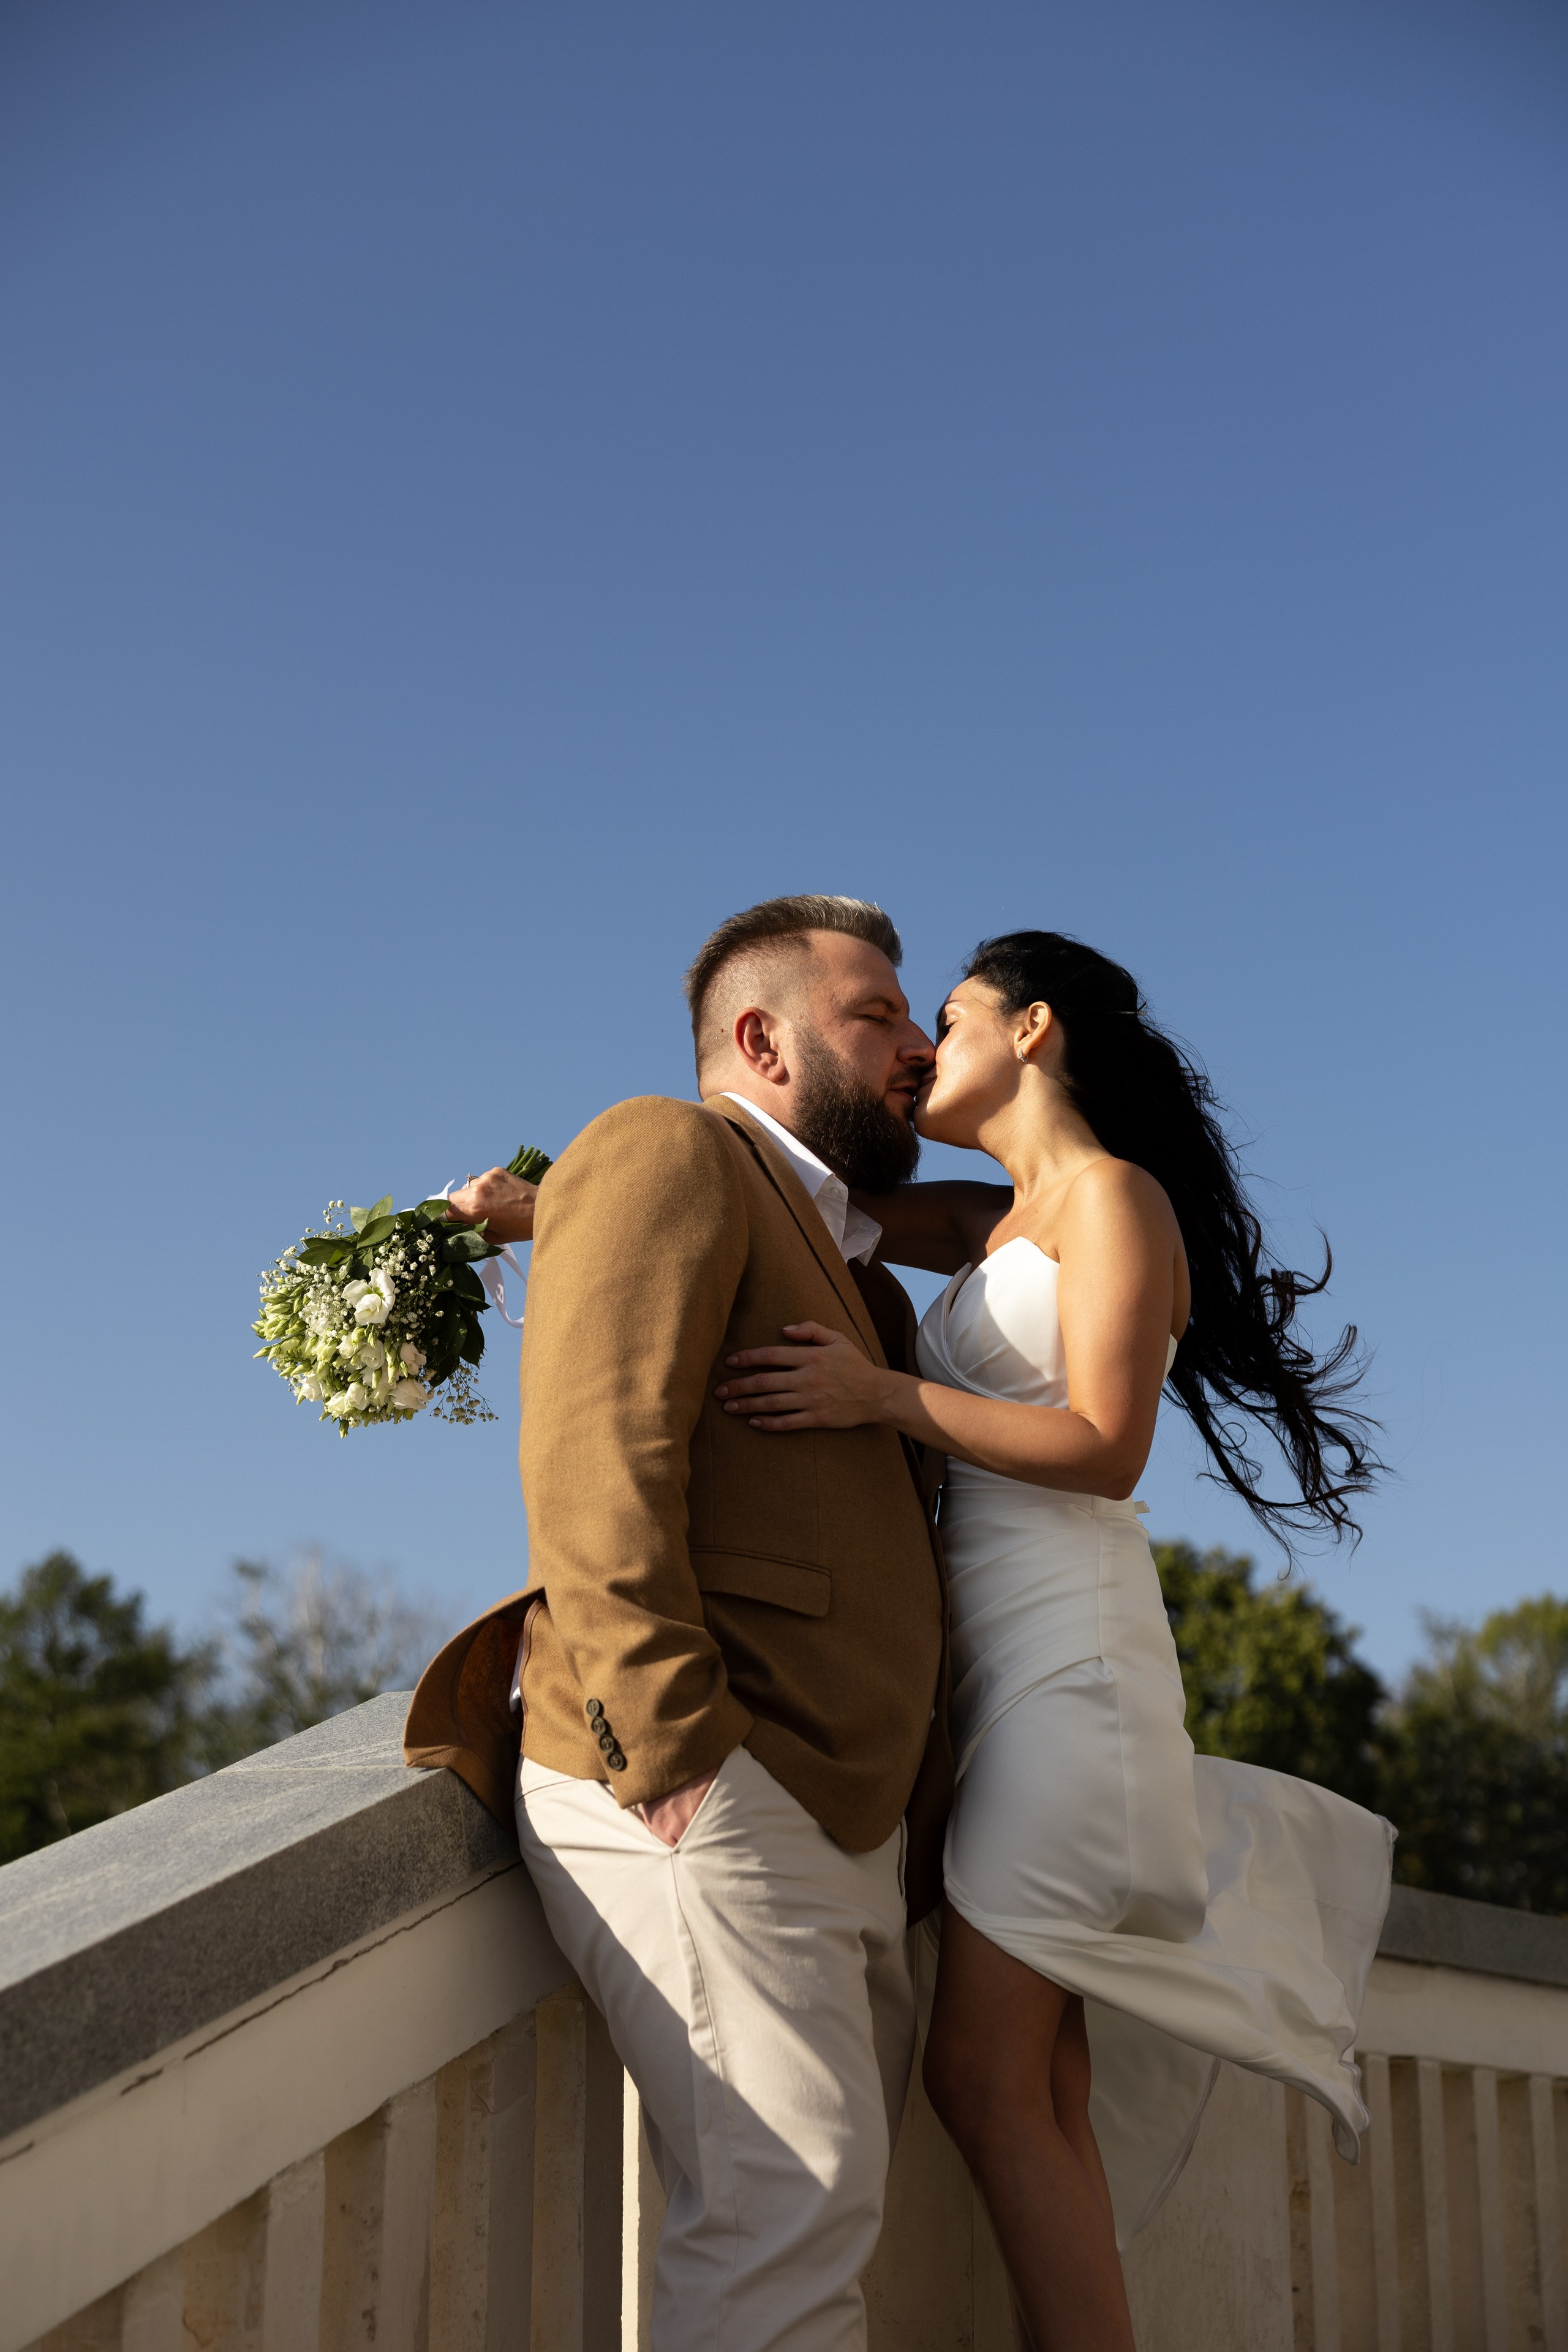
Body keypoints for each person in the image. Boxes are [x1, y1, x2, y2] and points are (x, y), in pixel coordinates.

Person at [714, 929, 1392, 2352]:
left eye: (944, 1021)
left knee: (979, 2080)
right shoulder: (985, 1221)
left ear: (1028, 1033)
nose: (917, 1053)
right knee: (1038, 2096)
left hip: (1074, 1676)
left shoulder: (1115, 1204)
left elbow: (1101, 1445)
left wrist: (879, 1399)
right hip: (996, 1684)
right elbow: (766, 1190)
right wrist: (547, 1207)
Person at [404, 894, 952, 2352]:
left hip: (842, 1809)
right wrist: (671, 1752)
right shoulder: (662, 1144)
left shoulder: (851, 1261)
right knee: (784, 2224)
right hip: (713, 1779)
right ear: (760, 1040)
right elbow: (594, 1452)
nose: (914, 1047)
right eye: (878, 1016)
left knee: (801, 2229)